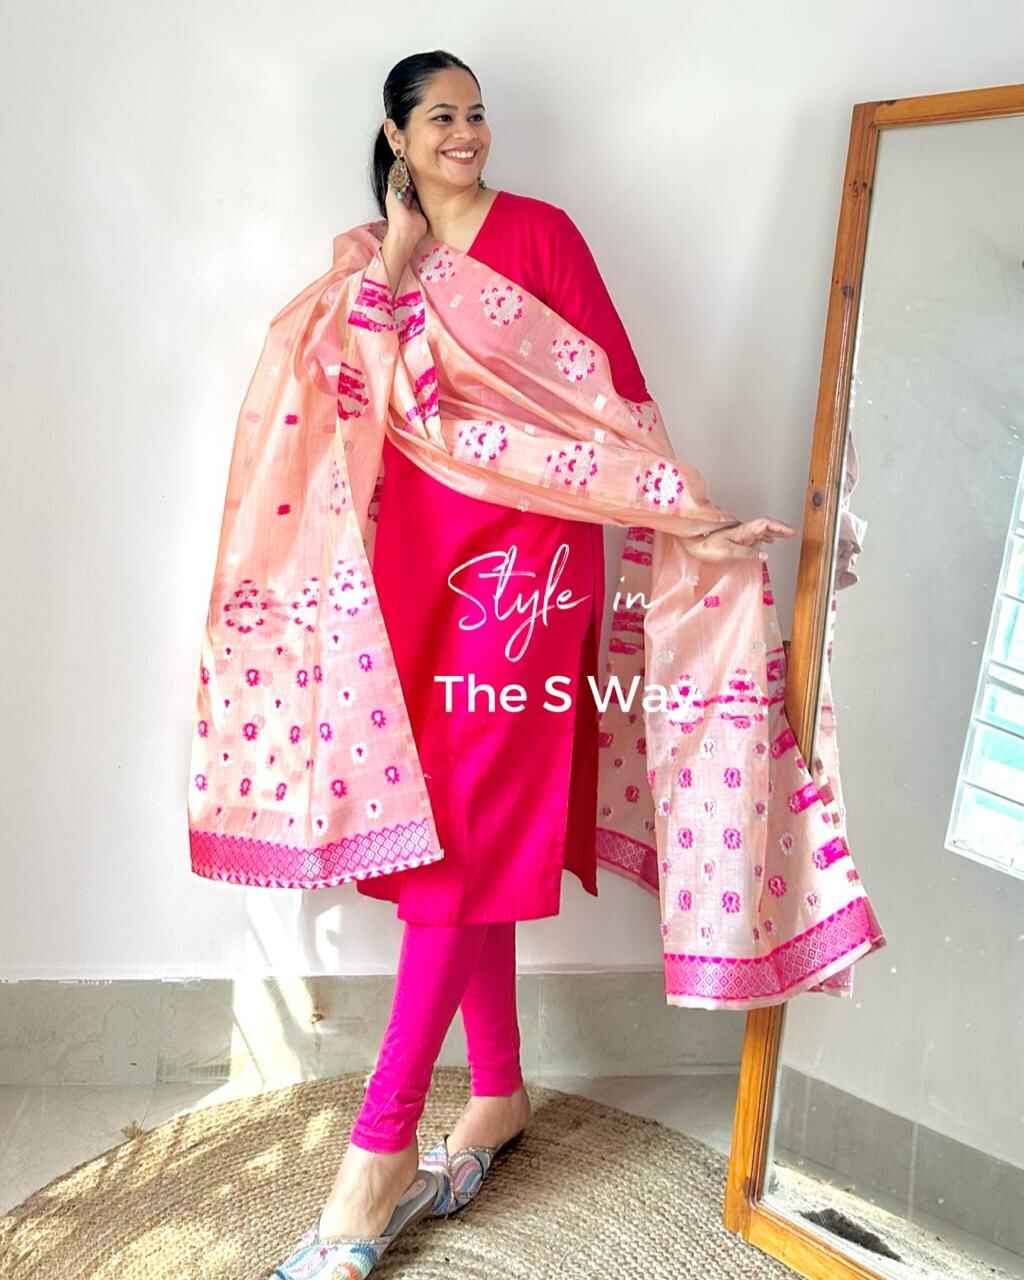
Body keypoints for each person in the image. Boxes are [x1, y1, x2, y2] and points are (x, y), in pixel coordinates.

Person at [265, 49, 796, 1275]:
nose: (465, 132)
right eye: (440, 116)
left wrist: (687, 516)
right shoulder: (372, 258)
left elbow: (616, 399)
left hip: (528, 572)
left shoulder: (543, 235)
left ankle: (380, 1149)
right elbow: (352, 399)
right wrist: (395, 268)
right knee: (456, 826)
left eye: (477, 113)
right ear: (394, 135)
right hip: (416, 568)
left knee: (465, 826)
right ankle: (497, 1088)